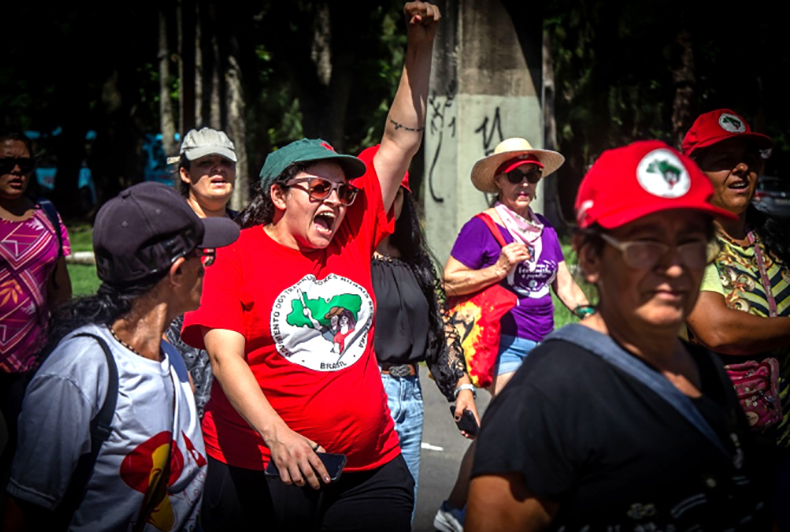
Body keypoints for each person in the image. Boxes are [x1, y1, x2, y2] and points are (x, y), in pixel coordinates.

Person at [180, 3, 439, 531]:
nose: (337, 200)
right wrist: (279, 436)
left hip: (371, 468)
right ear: (278, 194)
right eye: (318, 188)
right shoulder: (234, 253)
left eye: (343, 190)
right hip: (262, 469)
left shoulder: (350, 231)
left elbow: (401, 140)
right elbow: (226, 358)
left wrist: (420, 45)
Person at [465, 140, 772, 530]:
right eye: (646, 243)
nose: (674, 266)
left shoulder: (707, 370)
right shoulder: (545, 396)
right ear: (591, 258)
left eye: (691, 241)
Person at [3, 182, 239, 531]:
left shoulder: (170, 359)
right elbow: (23, 510)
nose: (207, 267)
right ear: (176, 272)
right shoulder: (79, 370)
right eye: (202, 255)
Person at [435, 137, 590, 532]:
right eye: (515, 175)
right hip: (502, 344)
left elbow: (566, 285)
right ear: (498, 184)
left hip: (545, 344)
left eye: (532, 174)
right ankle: (468, 511)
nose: (525, 183)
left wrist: (593, 317)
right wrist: (499, 267)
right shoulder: (483, 228)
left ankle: (459, 508)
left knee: (515, 430)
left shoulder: (546, 229)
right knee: (513, 426)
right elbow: (448, 283)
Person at [682, 108, 790, 529]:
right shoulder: (689, 238)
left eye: (748, 156)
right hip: (718, 453)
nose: (742, 166)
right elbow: (716, 329)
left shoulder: (772, 235)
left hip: (781, 447)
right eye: (724, 158)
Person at [360, 144, 479, 518]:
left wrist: (461, 388)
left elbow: (441, 329)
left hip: (411, 397)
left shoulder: (415, 260)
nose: (388, 202)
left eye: (397, 192)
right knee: (362, 510)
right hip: (364, 393)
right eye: (379, 193)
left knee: (403, 510)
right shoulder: (346, 259)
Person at [0, 131, 72, 524]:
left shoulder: (47, 214)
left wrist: (68, 338)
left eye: (25, 163)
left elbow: (60, 286)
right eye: (6, 163)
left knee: (28, 456)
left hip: (33, 361)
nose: (17, 171)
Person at [164, 128, 238, 417]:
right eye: (205, 162)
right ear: (184, 173)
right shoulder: (167, 231)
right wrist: (173, 369)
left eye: (225, 162)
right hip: (182, 378)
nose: (218, 168)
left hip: (238, 381)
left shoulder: (250, 229)